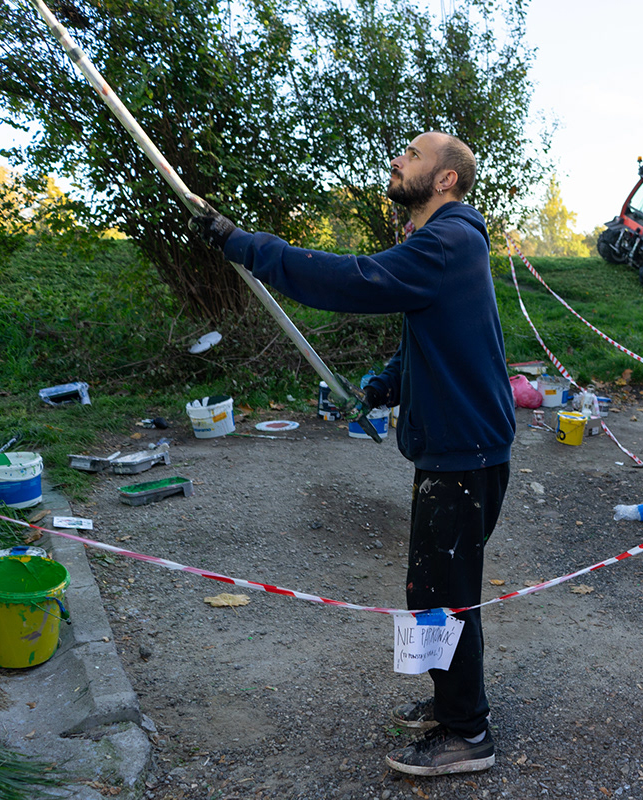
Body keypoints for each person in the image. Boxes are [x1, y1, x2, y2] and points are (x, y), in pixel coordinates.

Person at [190, 131, 515, 777]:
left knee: (443, 593)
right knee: (433, 588)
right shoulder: (439, 246)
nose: (398, 159)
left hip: (465, 453)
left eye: (414, 155)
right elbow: (425, 333)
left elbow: (355, 279)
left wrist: (248, 247)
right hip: (459, 447)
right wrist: (382, 385)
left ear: (446, 179)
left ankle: (467, 734)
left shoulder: (450, 239)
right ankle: (452, 701)